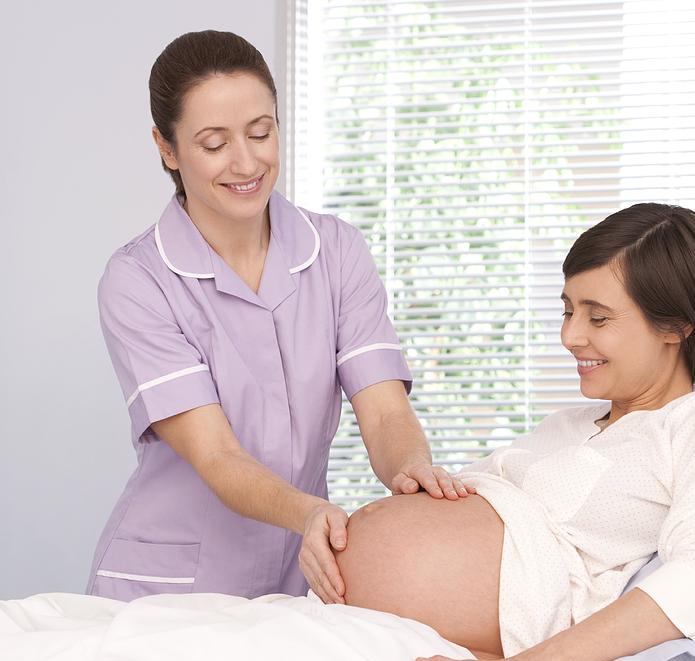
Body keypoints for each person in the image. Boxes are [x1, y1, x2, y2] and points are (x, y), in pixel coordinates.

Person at [86, 30, 472, 604]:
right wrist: (312, 512)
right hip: (166, 589)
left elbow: (385, 409)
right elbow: (216, 456)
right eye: (214, 143)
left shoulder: (336, 250)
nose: (247, 162)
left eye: (261, 132)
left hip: (294, 579)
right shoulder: (139, 278)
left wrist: (410, 472)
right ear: (166, 149)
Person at [331, 203, 695, 661]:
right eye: (568, 310)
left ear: (676, 327)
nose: (570, 336)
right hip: (349, 624)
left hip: (427, 659)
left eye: (598, 317)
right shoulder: (568, 426)